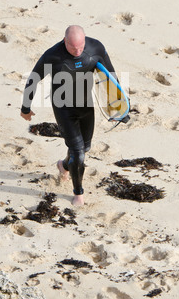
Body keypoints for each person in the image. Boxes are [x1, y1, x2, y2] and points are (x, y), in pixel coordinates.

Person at [20, 25, 117, 206]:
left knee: (84, 148)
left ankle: (64, 165)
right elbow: (33, 79)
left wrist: (119, 108)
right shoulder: (52, 56)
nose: (77, 51)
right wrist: (26, 108)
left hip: (86, 106)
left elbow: (111, 77)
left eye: (80, 47)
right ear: (65, 41)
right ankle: (78, 193)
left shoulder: (95, 48)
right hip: (63, 108)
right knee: (79, 154)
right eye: (73, 48)